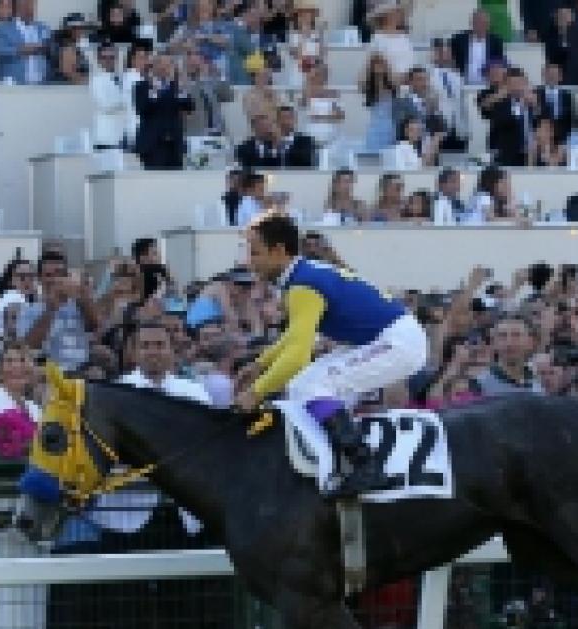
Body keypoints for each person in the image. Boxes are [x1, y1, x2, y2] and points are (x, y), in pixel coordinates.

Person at [233, 213, 428, 498]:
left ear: (278, 251)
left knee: (312, 386)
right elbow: (295, 338)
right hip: (386, 337)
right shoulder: (303, 275)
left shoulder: (302, 285)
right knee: (301, 386)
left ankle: (366, 465)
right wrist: (260, 364)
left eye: (254, 252)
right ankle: (337, 458)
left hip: (397, 342)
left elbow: (298, 355)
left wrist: (256, 392)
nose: (248, 261)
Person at [134, 53, 194, 170]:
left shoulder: (177, 87)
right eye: (162, 64)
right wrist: (154, 91)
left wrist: (181, 90)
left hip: (174, 144)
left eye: (169, 65)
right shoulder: (142, 86)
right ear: (154, 66)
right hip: (153, 145)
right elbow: (142, 108)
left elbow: (189, 107)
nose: (165, 68)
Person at [0, 0, 51, 84]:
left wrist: (41, 47)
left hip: (41, 84)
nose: (29, 7)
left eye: (31, 4)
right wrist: (21, 49)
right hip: (15, 85)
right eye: (25, 3)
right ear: (18, 6)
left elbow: (50, 48)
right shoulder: (3, 29)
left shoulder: (43, 28)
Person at [0, 341, 41, 420]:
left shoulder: (35, 409)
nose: (17, 366)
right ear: (0, 372)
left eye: (22, 360)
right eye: (9, 361)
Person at [90, 41, 131, 149]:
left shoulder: (124, 77)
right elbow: (106, 104)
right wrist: (125, 100)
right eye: (104, 57)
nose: (108, 61)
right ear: (98, 60)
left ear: (117, 58)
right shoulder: (96, 80)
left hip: (122, 133)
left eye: (112, 57)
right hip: (105, 136)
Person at [450, 8, 506, 85]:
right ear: (472, 23)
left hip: (487, 85)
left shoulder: (496, 42)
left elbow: (498, 64)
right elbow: (451, 61)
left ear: (488, 24)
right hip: (462, 84)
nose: (481, 25)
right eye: (478, 22)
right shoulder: (459, 40)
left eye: (484, 22)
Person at [366, 0, 414, 81]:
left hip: (407, 81)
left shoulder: (405, 38)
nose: (398, 16)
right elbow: (375, 63)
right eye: (395, 12)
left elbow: (411, 61)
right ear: (386, 16)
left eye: (399, 13)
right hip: (387, 82)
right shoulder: (378, 38)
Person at [360, 52, 397, 153]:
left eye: (381, 64)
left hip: (390, 126)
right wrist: (374, 73)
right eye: (376, 65)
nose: (379, 67)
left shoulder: (392, 84)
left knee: (390, 154)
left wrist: (385, 71)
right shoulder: (368, 86)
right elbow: (361, 82)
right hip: (375, 126)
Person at [48, 13, 90, 84]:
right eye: (75, 28)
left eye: (81, 28)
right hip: (63, 85)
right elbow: (69, 73)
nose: (79, 31)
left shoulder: (81, 44)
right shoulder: (64, 46)